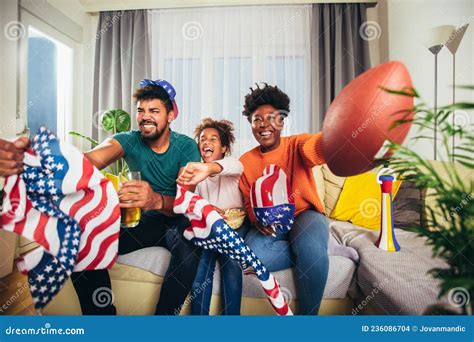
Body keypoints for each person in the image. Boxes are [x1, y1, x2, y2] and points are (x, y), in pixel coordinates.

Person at [2, 79, 203, 315]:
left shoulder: (187, 147)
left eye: (154, 111)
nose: (145, 117)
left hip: (172, 219)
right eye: (141, 110)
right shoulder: (129, 139)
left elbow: (182, 203)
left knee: (190, 248)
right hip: (140, 222)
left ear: (170, 115)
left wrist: (155, 199)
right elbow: (91, 159)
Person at [239, 83, 329, 315]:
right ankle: (314, 251)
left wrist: (332, 139)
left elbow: (315, 148)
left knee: (308, 242)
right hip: (271, 224)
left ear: (282, 121)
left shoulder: (296, 144)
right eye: (257, 119)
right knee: (249, 258)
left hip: (304, 215)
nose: (264, 125)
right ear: (251, 125)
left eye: (271, 118)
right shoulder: (246, 162)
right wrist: (257, 221)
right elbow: (249, 202)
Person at [177, 118, 249, 315]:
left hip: (236, 224)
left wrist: (208, 169)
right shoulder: (194, 174)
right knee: (202, 265)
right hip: (211, 227)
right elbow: (188, 206)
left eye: (213, 139)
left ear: (224, 147)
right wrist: (206, 207)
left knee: (232, 261)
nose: (206, 142)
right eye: (202, 139)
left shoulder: (233, 165)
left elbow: (234, 167)